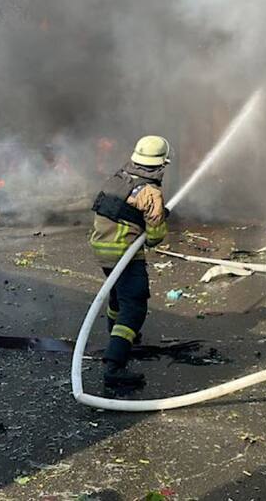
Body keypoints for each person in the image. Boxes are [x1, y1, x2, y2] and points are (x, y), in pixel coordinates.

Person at [89, 136, 170, 388]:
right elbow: (154, 238)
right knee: (134, 307)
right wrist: (159, 219)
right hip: (124, 253)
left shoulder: (118, 178)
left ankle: (119, 339)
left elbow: (121, 211)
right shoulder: (150, 192)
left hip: (102, 249)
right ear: (161, 164)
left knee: (118, 298)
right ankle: (114, 366)